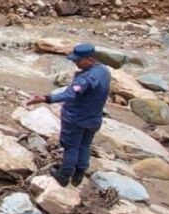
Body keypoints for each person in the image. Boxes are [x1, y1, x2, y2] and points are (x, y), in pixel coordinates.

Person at [25, 43, 110, 187]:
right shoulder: (103, 71)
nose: (75, 63)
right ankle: (79, 174)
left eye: (78, 60)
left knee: (71, 146)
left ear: (89, 59)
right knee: (85, 145)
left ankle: (64, 175)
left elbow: (70, 94)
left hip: (76, 118)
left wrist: (46, 98)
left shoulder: (85, 79)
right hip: (94, 118)